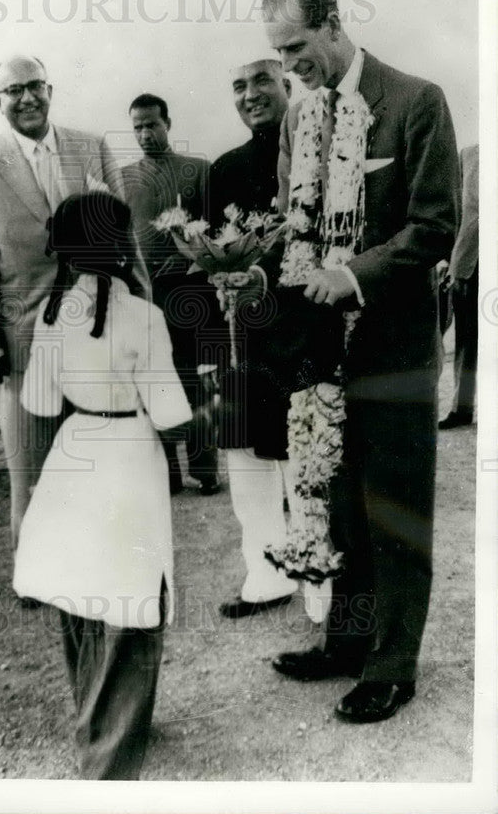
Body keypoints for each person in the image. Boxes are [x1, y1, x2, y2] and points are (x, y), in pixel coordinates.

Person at [256, 0, 459, 723]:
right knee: (339, 502)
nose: (287, 68)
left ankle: (392, 663)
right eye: (276, 53)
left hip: (395, 346)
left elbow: (433, 225)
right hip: (324, 351)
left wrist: (352, 275)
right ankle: (345, 642)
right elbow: (290, 224)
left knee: (394, 508)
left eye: (296, 47)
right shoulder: (296, 116)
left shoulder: (416, 100)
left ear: (333, 23)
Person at [13, 192, 204, 779]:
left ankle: (96, 718)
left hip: (74, 455)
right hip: (126, 456)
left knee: (81, 596)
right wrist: (214, 400)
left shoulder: (51, 312)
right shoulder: (142, 315)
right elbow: (171, 415)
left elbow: (40, 402)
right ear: (121, 245)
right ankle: (111, 759)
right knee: (131, 599)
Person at [0, 55, 149, 554]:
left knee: (98, 460)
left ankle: (98, 563)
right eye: (13, 91)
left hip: (99, 336)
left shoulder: (91, 146)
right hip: (25, 347)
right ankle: (37, 571)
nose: (27, 98)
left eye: (35, 86)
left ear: (50, 89)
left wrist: (143, 314)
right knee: (33, 471)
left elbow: (126, 240)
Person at [207, 57, 298, 619]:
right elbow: (210, 252)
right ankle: (266, 576)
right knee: (246, 457)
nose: (250, 94)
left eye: (262, 80)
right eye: (238, 85)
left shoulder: (317, 148)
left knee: (304, 456)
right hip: (245, 339)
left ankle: (319, 575)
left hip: (306, 330)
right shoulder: (224, 168)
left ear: (287, 84)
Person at [122, 92, 221, 495]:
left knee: (198, 381)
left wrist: (189, 260)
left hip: (194, 294)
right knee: (157, 381)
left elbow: (217, 235)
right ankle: (169, 474)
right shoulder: (124, 178)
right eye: (138, 128)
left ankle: (206, 469)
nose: (145, 134)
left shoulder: (199, 171)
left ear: (168, 123)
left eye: (152, 125)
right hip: (148, 298)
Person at [439, 143, 479, 429]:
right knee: (467, 338)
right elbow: (456, 211)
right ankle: (461, 407)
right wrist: (450, 260)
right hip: (469, 262)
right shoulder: (469, 154)